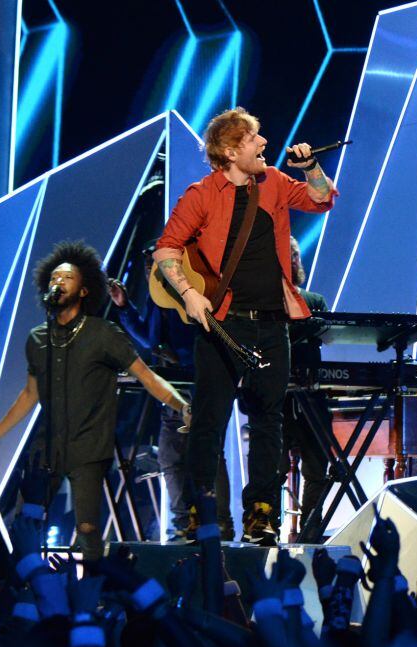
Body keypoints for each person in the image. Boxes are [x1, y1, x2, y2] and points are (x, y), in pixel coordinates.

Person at [153, 107, 337, 544]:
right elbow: (166, 249)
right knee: (209, 421)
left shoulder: (274, 181)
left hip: (272, 325)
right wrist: (189, 293)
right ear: (231, 150)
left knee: (268, 421)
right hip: (222, 326)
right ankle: (201, 513)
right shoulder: (201, 195)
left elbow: (321, 200)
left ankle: (261, 515)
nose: (264, 143)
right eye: (255, 138)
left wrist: (311, 165)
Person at [0, 241, 191, 560]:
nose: (58, 282)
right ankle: (24, 586)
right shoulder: (38, 338)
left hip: (89, 447)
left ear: (84, 291)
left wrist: (182, 406)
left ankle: (91, 586)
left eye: (67, 277)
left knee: (87, 530)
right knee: (26, 525)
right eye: (54, 277)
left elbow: (147, 376)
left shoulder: (104, 334)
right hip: (47, 448)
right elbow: (30, 394)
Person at [108, 244, 234, 540]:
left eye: (155, 267)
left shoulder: (191, 292)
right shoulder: (157, 298)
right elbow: (150, 339)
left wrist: (183, 359)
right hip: (174, 387)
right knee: (171, 456)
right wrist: (125, 307)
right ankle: (184, 523)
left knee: (207, 452)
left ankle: (218, 523)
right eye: (148, 269)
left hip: (200, 382)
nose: (151, 274)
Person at [278, 236, 332, 536]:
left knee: (317, 468)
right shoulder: (263, 304)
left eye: (296, 255)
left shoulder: (315, 301)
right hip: (278, 398)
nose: (294, 261)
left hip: (312, 396)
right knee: (273, 469)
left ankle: (311, 532)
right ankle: (266, 530)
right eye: (288, 255)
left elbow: (328, 334)